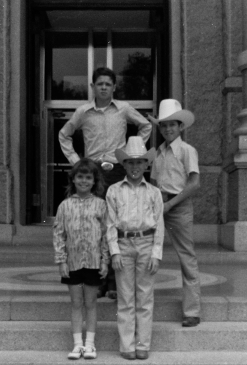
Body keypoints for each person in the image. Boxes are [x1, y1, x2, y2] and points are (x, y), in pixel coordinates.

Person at [59, 67, 152, 300]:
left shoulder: (123, 109)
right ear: (92, 87)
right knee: (96, 226)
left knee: (117, 223)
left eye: (107, 84)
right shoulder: (83, 112)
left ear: (114, 87)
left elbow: (146, 126)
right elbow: (64, 134)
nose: (103, 87)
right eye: (99, 84)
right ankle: (97, 281)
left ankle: (114, 282)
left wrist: (132, 152)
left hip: (118, 169)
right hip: (93, 171)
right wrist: (77, 162)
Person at [106, 136, 164, 360]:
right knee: (125, 297)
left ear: (146, 164)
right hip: (123, 243)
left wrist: (156, 253)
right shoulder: (114, 191)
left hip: (146, 243)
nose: (135, 166)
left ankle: (142, 343)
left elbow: (159, 224)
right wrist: (114, 251)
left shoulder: (153, 192)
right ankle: (127, 344)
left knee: (145, 297)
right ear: (124, 164)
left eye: (139, 162)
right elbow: (110, 223)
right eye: (130, 162)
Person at [148, 99, 201, 327]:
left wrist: (171, 204)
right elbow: (151, 182)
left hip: (178, 207)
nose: (168, 129)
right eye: (164, 125)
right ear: (159, 128)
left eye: (172, 124)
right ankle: (142, 303)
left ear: (181, 126)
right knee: (146, 253)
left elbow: (194, 184)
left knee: (186, 257)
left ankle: (192, 311)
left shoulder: (187, 150)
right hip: (159, 206)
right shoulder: (157, 152)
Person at [53, 158, 110, 360]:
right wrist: (61, 260)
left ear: (94, 180)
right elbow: (59, 234)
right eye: (80, 177)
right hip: (73, 263)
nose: (84, 181)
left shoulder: (101, 205)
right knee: (76, 303)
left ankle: (90, 344)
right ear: (73, 179)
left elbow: (105, 235)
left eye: (88, 177)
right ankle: (77, 344)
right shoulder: (65, 206)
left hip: (94, 262)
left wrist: (105, 261)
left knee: (91, 302)